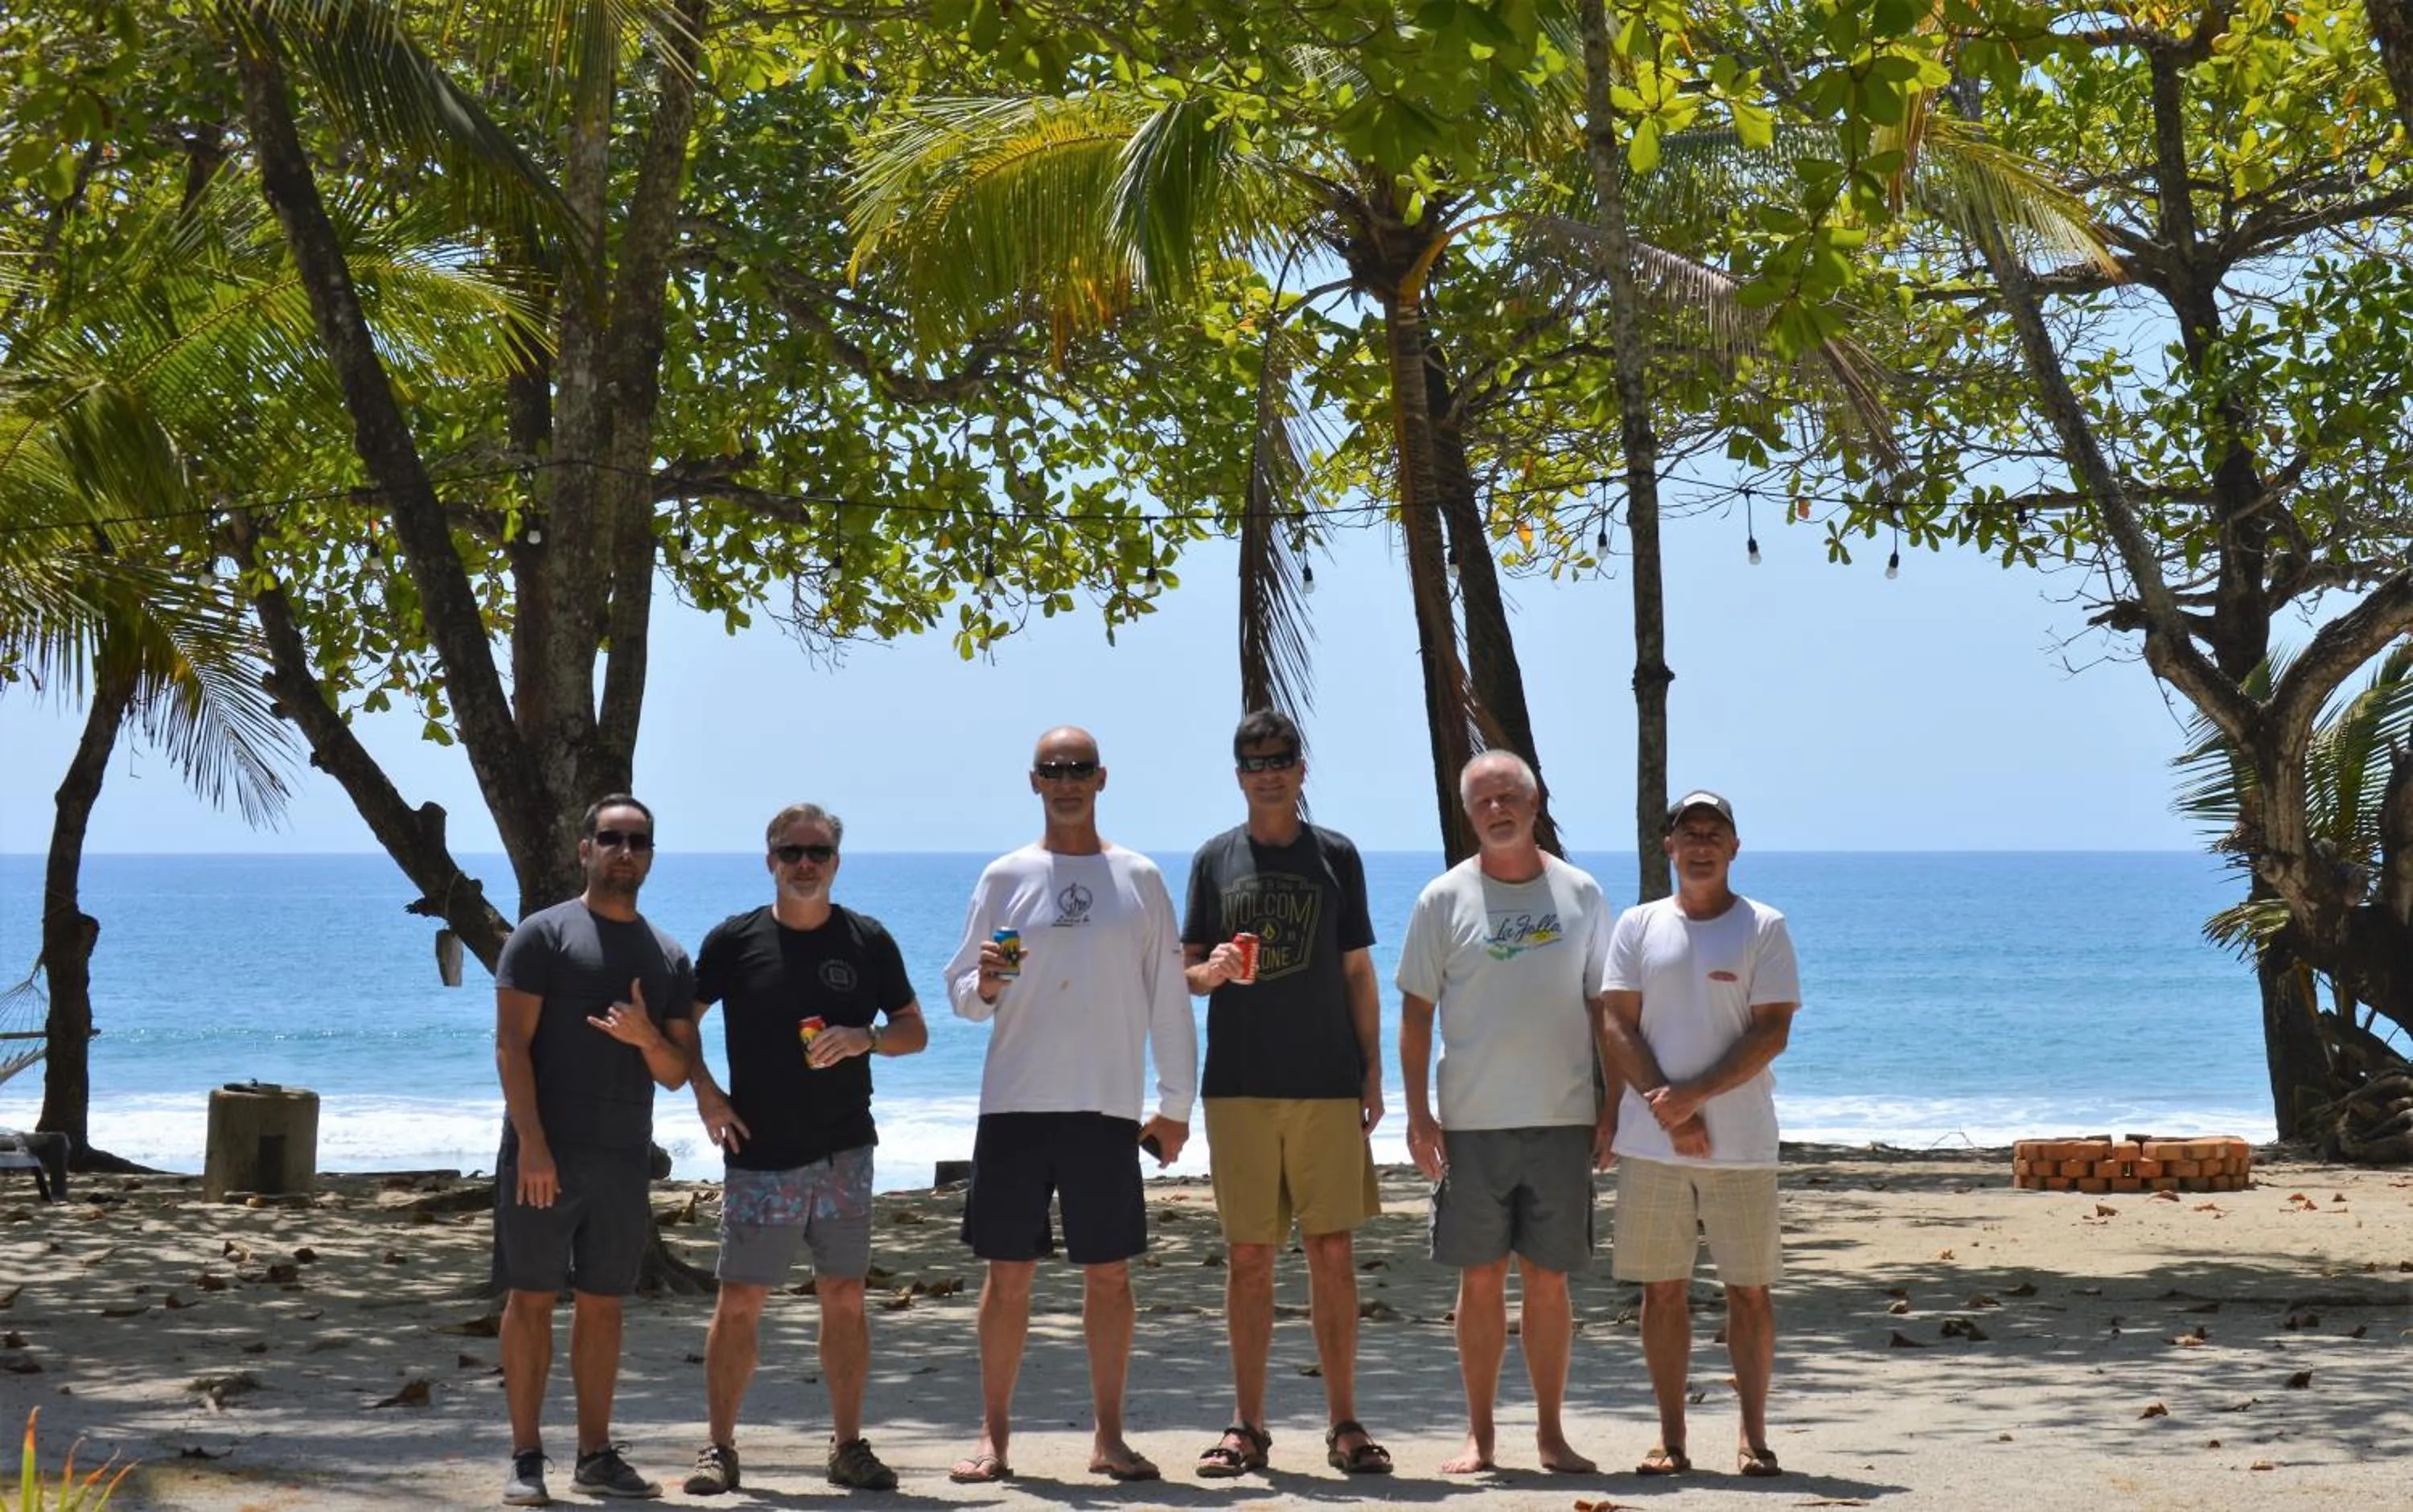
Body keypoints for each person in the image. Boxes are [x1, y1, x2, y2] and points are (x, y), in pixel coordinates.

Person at [941, 725, 1196, 1485]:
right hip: (1015, 1105)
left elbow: (1169, 999)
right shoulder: (1004, 877)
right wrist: (985, 984)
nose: (1067, 780)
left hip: (1106, 1107)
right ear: (1034, 781)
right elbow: (962, 997)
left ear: (1102, 777)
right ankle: (994, 1439)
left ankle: (1108, 1438)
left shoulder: (1140, 878)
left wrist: (1176, 1104)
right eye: (1054, 769)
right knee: (1007, 1277)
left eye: (1079, 768)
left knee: (1109, 1277)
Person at [680, 803, 929, 1496]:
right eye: (791, 852)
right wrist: (707, 1096)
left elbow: (914, 1030)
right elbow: (682, 1024)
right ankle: (718, 1449)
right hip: (761, 1153)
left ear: (836, 863)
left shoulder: (866, 940)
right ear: (770, 862)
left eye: (817, 852)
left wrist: (865, 1037)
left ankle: (848, 1445)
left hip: (845, 1150)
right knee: (739, 1304)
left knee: (845, 1297)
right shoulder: (734, 941)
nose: (804, 864)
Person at [1181, 709, 1392, 1478]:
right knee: (1249, 1257)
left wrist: (1373, 1075)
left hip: (1326, 1085)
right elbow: (1185, 970)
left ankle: (1345, 1424)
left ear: (1301, 769)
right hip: (1238, 1086)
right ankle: (1247, 1426)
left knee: (1332, 1252)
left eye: (1280, 758)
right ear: (1238, 773)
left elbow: (1358, 973)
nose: (1268, 771)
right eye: (1253, 760)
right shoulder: (1213, 860)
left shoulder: (1335, 856)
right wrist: (1212, 973)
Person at [1397, 751, 1613, 1477]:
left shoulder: (1580, 892)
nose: (1498, 809)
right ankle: (1480, 1435)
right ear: (1469, 813)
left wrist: (1611, 1105)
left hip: (1562, 1118)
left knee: (1549, 1281)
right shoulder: (1442, 899)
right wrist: (1420, 1116)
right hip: (1471, 1122)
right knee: (1480, 1279)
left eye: (1509, 796)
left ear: (1534, 800)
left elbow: (1604, 1007)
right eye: (1484, 800)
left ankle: (1551, 1434)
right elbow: (1416, 1011)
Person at [495, 795, 698, 1505]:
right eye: (610, 838)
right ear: (585, 849)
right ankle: (525, 1458)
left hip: (621, 1158)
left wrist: (646, 1038)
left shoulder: (668, 954)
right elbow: (511, 1046)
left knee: (604, 1304)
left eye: (638, 840)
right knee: (530, 1297)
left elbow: (676, 1073)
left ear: (649, 855)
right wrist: (534, 1146)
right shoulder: (542, 937)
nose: (624, 851)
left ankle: (595, 1454)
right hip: (544, 1151)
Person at [1597, 790, 1802, 1480]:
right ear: (1670, 847)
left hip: (1741, 1145)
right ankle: (1671, 1438)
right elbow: (1616, 1022)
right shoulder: (1637, 925)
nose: (1703, 844)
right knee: (1662, 1291)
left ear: (1735, 847)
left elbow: (1772, 1031)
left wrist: (1695, 1099)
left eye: (1715, 832)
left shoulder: (1764, 927)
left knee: (1749, 1291)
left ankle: (1753, 1437)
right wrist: (1668, 1111)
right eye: (1690, 833)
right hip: (1652, 1145)